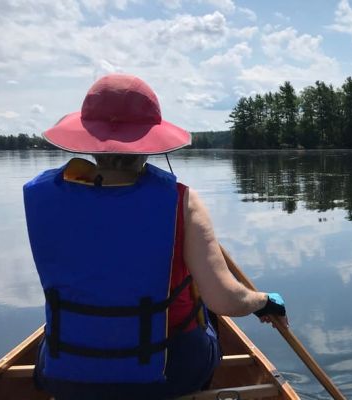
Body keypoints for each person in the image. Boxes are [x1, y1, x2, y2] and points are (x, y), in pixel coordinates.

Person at [23, 73, 287, 399]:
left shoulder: (45, 196)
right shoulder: (180, 201)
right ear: (150, 143)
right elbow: (224, 299)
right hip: (165, 376)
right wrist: (263, 300)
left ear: (90, 139)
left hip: (67, 373)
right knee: (206, 310)